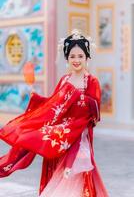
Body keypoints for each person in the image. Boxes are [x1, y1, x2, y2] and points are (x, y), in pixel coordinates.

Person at [0, 29, 108, 197]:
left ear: (87, 57)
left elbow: (94, 112)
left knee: (76, 176)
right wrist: (37, 99)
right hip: (60, 137)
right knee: (55, 172)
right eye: (72, 56)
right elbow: (54, 105)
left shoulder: (91, 81)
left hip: (78, 137)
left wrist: (76, 97)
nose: (76, 60)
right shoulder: (65, 80)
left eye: (80, 56)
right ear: (67, 58)